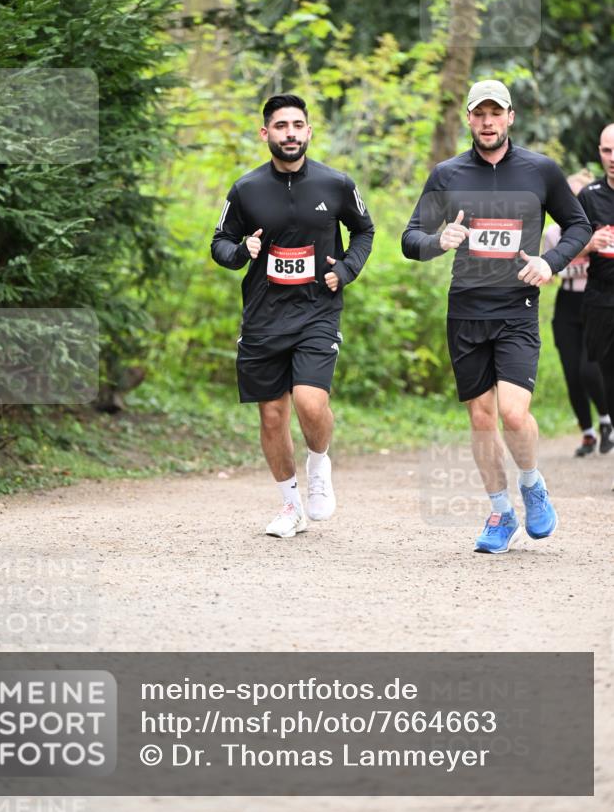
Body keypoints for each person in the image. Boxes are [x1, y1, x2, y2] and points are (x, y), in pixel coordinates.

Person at [402, 79, 592, 553]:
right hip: (466, 309)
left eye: (496, 113)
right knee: (482, 417)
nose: (487, 122)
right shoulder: (447, 174)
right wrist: (437, 241)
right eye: (479, 113)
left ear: (510, 117)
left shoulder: (540, 170)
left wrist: (550, 262)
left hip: (516, 307)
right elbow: (411, 237)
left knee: (512, 412)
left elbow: (578, 225)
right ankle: (501, 513)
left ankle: (531, 483)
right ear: (469, 118)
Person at [211, 93, 374, 537]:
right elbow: (219, 243)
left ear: (309, 131)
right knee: (271, 415)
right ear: (265, 133)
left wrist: (347, 269)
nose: (290, 134)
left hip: (317, 309)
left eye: (297, 125)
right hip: (264, 316)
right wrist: (241, 251)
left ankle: (319, 464)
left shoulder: (335, 184)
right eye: (281, 126)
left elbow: (364, 230)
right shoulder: (246, 189)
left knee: (310, 401)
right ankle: (290, 506)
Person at [543, 171, 612, 457]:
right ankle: (587, 432)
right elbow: (550, 269)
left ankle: (606, 420)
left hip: (595, 299)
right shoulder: (552, 234)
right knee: (572, 372)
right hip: (567, 303)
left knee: (590, 368)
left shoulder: (603, 227)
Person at [577, 123, 614, 454]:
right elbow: (565, 249)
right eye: (607, 150)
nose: (613, 158)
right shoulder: (589, 196)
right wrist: (589, 244)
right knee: (605, 374)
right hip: (602, 297)